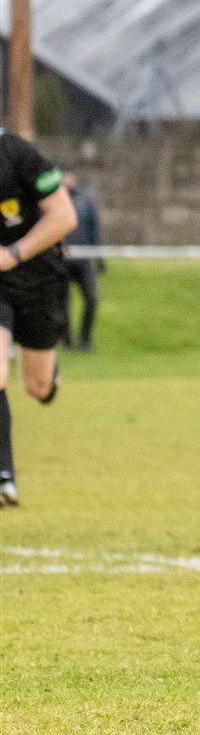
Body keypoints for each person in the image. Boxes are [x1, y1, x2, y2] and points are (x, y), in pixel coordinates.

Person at [0, 132, 78, 508]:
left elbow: (65, 216)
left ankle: (49, 378)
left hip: (39, 275)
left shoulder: (18, 154)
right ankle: (4, 476)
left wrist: (14, 253)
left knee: (37, 386)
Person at [61, 168, 102, 352]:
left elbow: (94, 228)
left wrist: (99, 257)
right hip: (60, 259)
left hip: (83, 258)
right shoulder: (50, 200)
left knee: (92, 298)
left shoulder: (85, 200)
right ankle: (66, 341)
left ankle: (85, 340)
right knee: (62, 303)